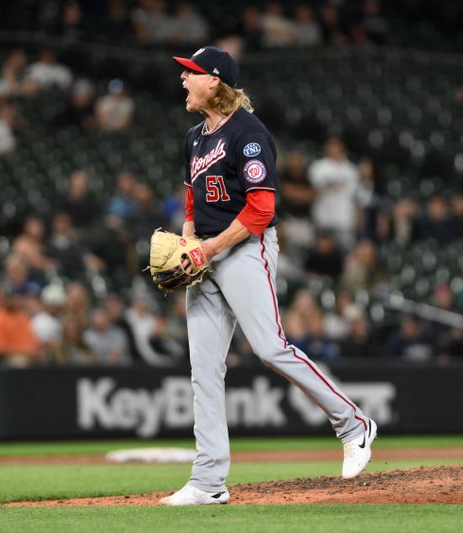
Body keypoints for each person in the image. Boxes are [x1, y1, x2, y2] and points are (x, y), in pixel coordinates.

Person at [160, 46, 376, 507]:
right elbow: (193, 203)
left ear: (214, 81)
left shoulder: (249, 134)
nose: (183, 80)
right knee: (203, 370)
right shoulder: (194, 137)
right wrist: (188, 243)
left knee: (270, 348)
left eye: (190, 74)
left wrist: (211, 249)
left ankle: (353, 424)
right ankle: (207, 481)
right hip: (207, 254)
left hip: (243, 248)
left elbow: (261, 209)